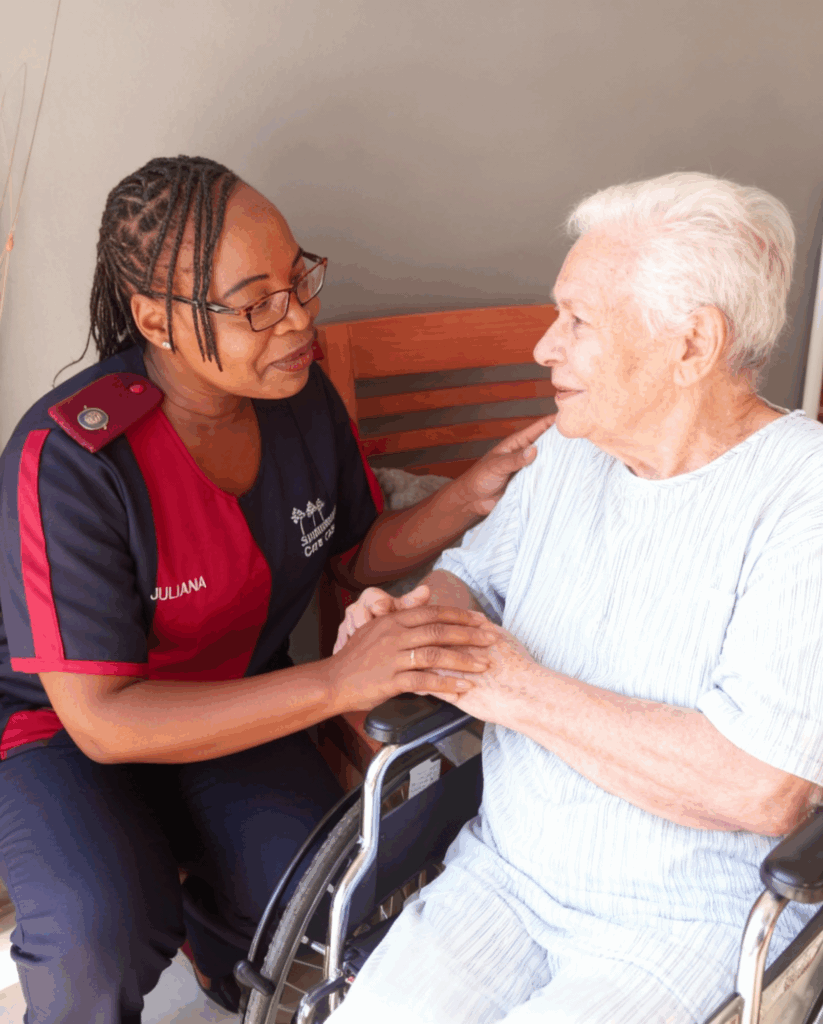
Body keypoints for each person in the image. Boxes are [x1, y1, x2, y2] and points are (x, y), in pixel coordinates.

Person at [0, 154, 552, 1023]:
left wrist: (469, 495)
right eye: (257, 302)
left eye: (299, 280)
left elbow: (353, 554)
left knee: (320, 896)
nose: (298, 318)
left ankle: (219, 948)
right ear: (156, 318)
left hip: (243, 704)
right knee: (93, 936)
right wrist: (340, 681)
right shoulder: (71, 457)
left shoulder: (298, 394)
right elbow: (103, 720)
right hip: (63, 735)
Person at [330, 172, 823, 1024]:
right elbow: (475, 577)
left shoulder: (801, 502)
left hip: (687, 923)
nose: (544, 347)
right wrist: (411, 621)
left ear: (691, 345)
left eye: (578, 320)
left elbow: (757, 788)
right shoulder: (569, 451)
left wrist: (511, 686)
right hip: (501, 873)